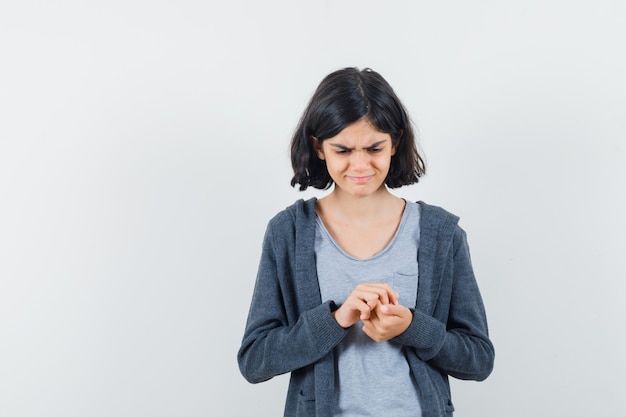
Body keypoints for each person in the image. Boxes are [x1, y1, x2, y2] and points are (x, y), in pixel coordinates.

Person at [237, 67, 494, 417]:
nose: (360, 165)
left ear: (396, 143)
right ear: (319, 147)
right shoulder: (288, 233)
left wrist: (411, 327)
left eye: (375, 148)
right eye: (343, 149)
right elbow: (255, 360)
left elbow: (478, 359)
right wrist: (335, 320)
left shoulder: (441, 234)